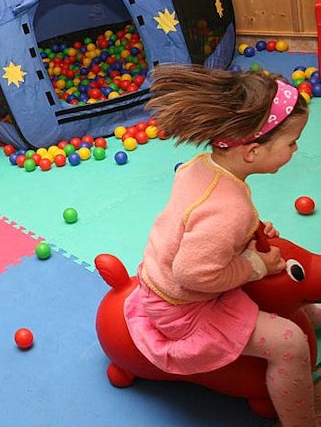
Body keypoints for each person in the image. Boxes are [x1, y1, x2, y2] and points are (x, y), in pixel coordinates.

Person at [123, 64, 318, 427]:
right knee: (290, 343)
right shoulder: (230, 210)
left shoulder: (203, 166)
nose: (296, 149)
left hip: (170, 277)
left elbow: (201, 221)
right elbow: (192, 273)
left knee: (298, 303)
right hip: (183, 307)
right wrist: (256, 265)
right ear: (252, 152)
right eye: (291, 143)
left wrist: (249, 232)